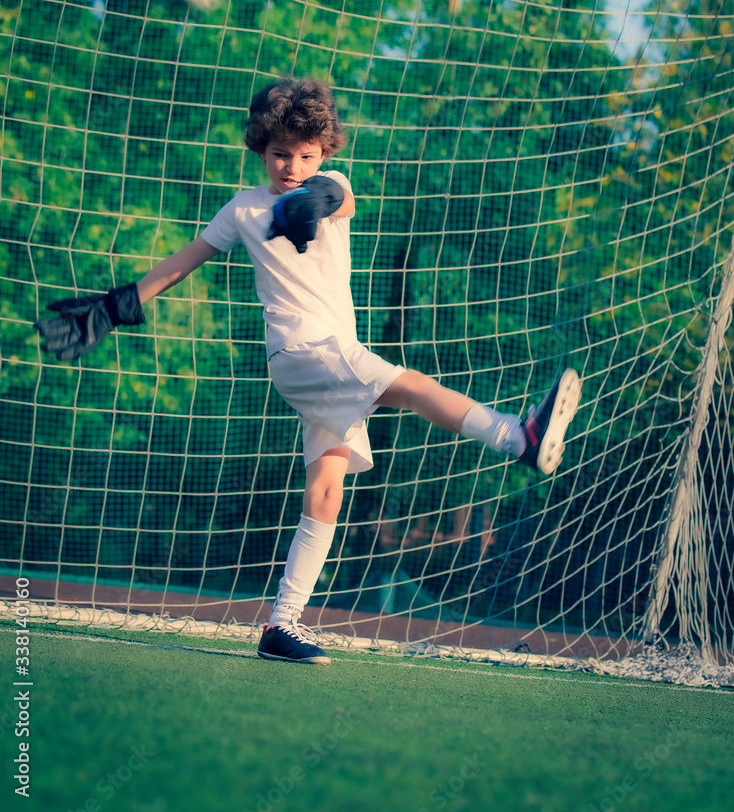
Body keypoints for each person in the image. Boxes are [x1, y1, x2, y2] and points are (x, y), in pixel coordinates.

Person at [34, 78, 581, 666]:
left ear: (323, 153)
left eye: (306, 155)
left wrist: (307, 204)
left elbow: (333, 197)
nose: (292, 166)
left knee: (326, 491)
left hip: (329, 356)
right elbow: (184, 261)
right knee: (414, 386)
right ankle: (516, 436)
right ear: (259, 149)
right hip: (303, 355)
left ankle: (281, 624)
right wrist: (115, 309)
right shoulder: (242, 208)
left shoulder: (334, 183)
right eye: (279, 155)